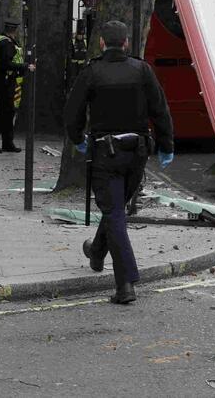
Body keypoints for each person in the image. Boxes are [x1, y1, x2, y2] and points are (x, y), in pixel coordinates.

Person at [64, 21, 174, 304]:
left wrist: (77, 138)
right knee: (115, 209)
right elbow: (160, 109)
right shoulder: (142, 70)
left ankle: (125, 284)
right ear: (126, 43)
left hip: (105, 153)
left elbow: (72, 110)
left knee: (114, 213)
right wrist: (166, 146)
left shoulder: (92, 72)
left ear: (102, 43)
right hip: (137, 154)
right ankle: (97, 252)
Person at [0, 19, 34, 153]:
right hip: (6, 81)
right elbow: (6, 64)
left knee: (8, 112)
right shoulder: (6, 43)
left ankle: (7, 143)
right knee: (3, 113)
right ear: (14, 31)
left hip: (3, 80)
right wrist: (25, 66)